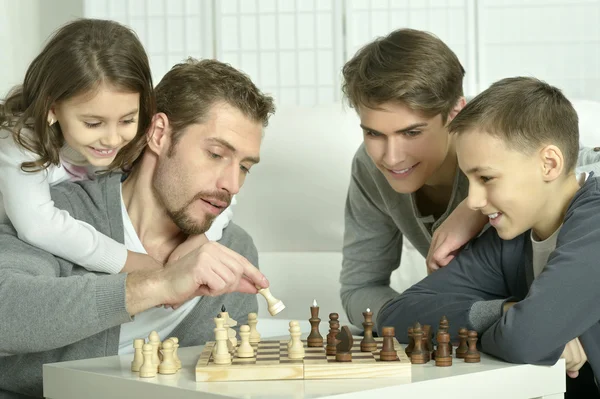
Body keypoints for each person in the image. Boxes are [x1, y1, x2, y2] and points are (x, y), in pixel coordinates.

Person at [0, 57, 276, 399]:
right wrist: (159, 284)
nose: (232, 184)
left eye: (245, 167)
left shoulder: (234, 251)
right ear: (159, 134)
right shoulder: (62, 213)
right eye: (216, 154)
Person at [339, 28, 600, 330]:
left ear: (455, 112)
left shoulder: (492, 134)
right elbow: (359, 288)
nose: (391, 157)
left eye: (412, 132)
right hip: (497, 334)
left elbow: (575, 169)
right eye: (373, 133)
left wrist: (469, 209)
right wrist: (418, 320)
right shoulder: (369, 168)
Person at [377, 77, 600, 398]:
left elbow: (526, 338)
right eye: (469, 179)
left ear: (549, 163)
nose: (475, 201)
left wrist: (531, 328)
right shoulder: (509, 238)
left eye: (486, 177)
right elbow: (394, 316)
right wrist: (506, 312)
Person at [0, 18, 235, 279]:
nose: (112, 139)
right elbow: (38, 227)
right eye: (93, 123)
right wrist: (132, 262)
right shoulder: (20, 140)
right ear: (52, 108)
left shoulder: (145, 133)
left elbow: (219, 192)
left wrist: (198, 239)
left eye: (127, 120)